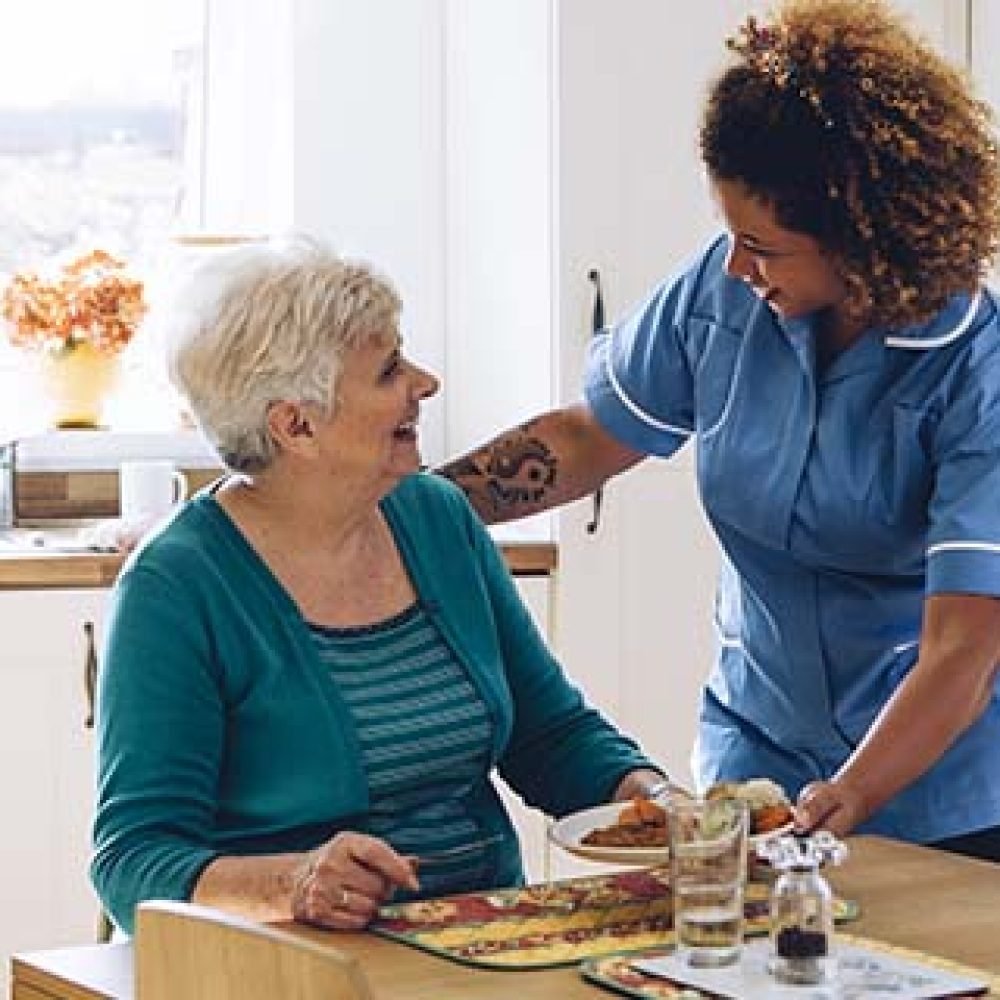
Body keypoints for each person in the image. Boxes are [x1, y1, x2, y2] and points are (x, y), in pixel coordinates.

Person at [438, 0, 1000, 860]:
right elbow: (590, 438)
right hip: (756, 762)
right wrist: (407, 507)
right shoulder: (724, 290)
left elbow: (964, 645)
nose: (738, 265)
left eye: (764, 246)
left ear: (861, 237)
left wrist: (851, 793)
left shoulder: (976, 372)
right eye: (730, 235)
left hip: (940, 800)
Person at [90, 240, 670, 936]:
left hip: (476, 947)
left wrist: (651, 797)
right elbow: (133, 860)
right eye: (389, 370)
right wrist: (297, 881)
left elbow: (549, 736)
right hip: (290, 968)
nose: (425, 383)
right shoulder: (177, 584)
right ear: (295, 424)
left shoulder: (436, 517)